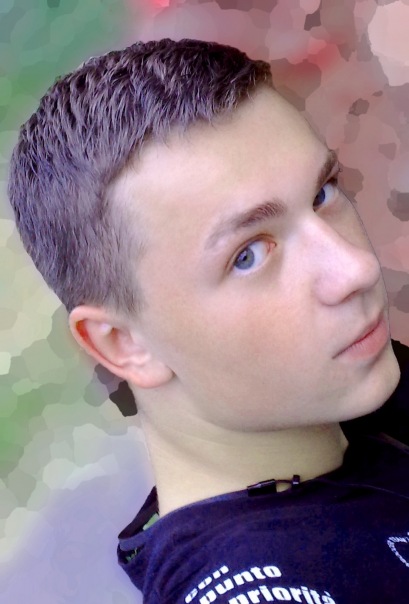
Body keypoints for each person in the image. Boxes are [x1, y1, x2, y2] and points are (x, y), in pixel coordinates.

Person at [7, 38, 409, 603]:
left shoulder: (351, 398)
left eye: (322, 194)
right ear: (123, 344)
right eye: (249, 255)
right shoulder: (264, 588)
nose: (355, 269)